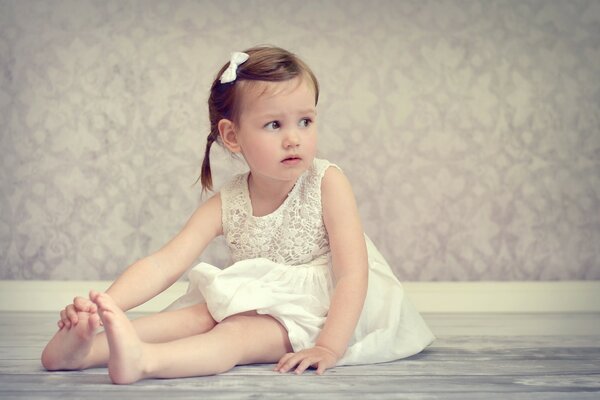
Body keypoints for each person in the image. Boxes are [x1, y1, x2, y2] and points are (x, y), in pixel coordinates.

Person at [41, 45, 434, 384]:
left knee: (237, 332)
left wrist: (329, 345)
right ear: (232, 136)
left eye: (306, 121)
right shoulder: (227, 203)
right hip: (261, 298)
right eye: (274, 124)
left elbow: (352, 274)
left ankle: (146, 362)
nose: (294, 136)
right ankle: (84, 348)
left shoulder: (327, 183)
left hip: (328, 311)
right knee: (194, 316)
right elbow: (164, 263)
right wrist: (106, 304)